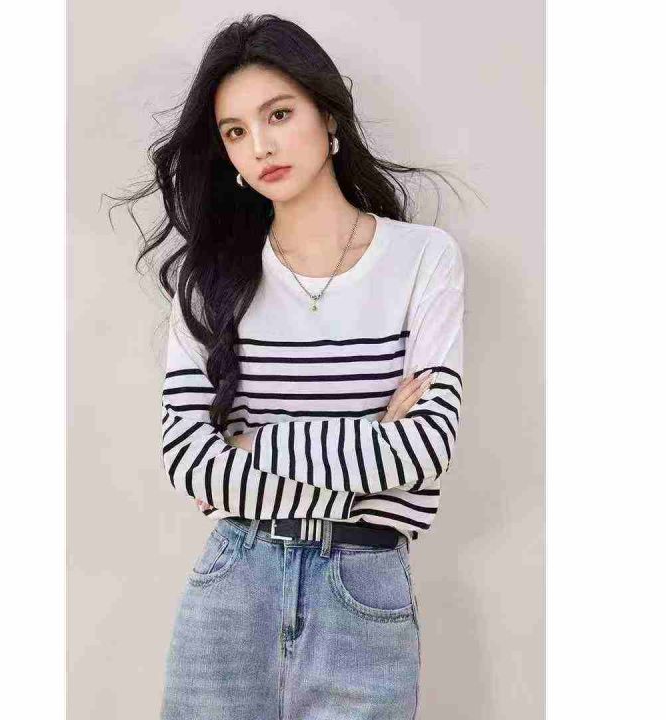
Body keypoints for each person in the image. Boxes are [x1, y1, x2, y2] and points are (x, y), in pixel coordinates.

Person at [109, 12, 466, 720]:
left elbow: (427, 446)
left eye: (278, 114)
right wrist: (369, 444)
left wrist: (252, 449)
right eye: (235, 132)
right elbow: (188, 462)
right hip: (231, 588)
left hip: (364, 592)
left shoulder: (422, 260)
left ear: (327, 114)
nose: (261, 146)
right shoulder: (208, 281)